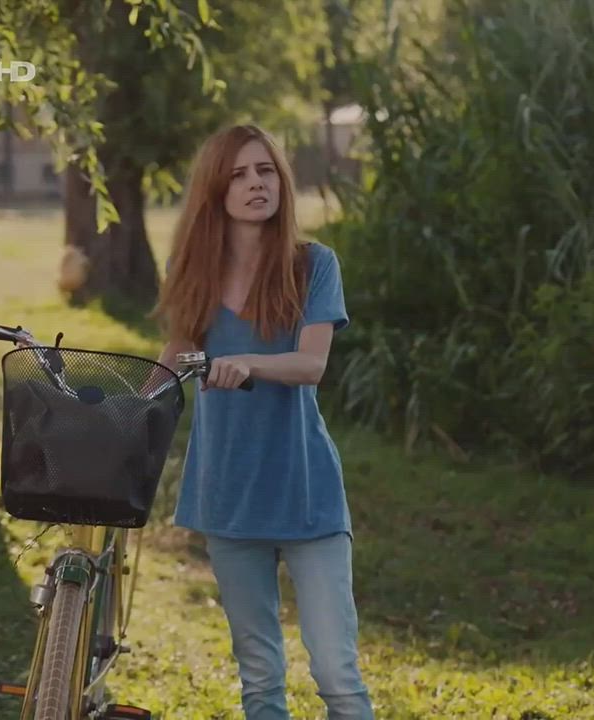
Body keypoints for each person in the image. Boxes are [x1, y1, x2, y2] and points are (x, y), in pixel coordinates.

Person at [151, 123, 374, 720]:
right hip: (226, 496)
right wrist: (131, 409)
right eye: (240, 174)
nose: (256, 184)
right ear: (215, 191)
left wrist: (248, 361)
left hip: (307, 496)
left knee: (337, 674)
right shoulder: (190, 268)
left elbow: (311, 365)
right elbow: (176, 353)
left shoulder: (313, 265)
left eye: (266, 170)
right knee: (259, 676)